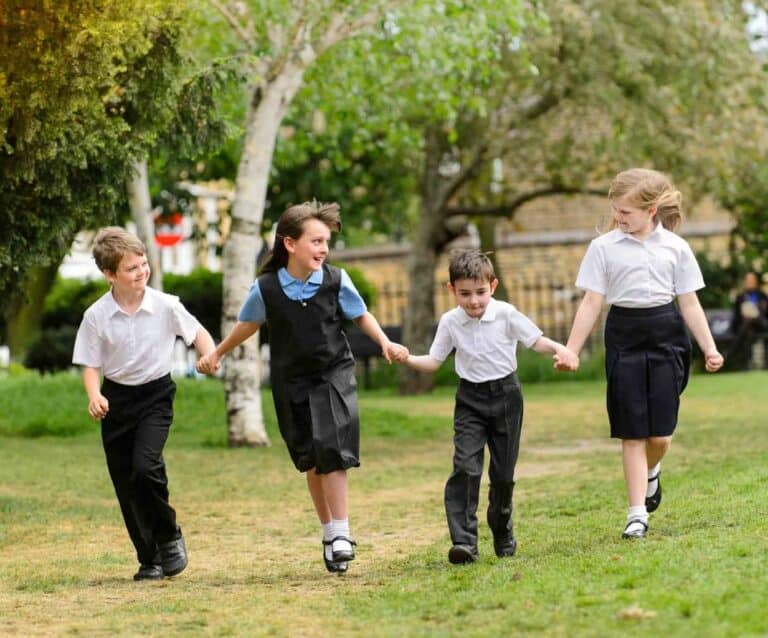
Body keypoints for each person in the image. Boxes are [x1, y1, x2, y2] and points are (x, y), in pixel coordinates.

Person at [196, 201, 407, 574]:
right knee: (311, 459)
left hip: (332, 373)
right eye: (316, 241)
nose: (323, 249)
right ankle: (329, 533)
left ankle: (342, 532)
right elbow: (247, 324)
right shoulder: (266, 288)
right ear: (290, 244)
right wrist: (218, 353)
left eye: (326, 241)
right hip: (290, 380)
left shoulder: (336, 280)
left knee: (333, 448)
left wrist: (384, 343)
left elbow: (360, 314)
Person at [559, 168, 724, 540]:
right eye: (615, 210)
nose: (618, 218)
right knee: (632, 432)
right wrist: (571, 349)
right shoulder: (603, 248)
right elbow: (591, 302)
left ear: (651, 211)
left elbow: (690, 303)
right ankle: (636, 514)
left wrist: (709, 348)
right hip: (624, 336)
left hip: (667, 334)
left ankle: (652, 472)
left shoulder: (676, 248)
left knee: (661, 435)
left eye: (626, 212)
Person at [392, 249, 578, 564]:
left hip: (506, 396)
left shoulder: (506, 313)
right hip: (470, 401)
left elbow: (536, 341)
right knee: (465, 467)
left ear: (492, 286)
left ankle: (502, 527)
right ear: (452, 291)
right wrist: (407, 357)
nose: (474, 301)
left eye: (480, 292)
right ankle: (464, 541)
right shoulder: (450, 322)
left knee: (503, 475)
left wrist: (563, 350)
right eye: (465, 294)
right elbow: (434, 361)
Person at [72, 227, 216, 580]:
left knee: (145, 467)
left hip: (155, 396)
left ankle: (169, 537)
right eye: (131, 268)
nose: (141, 272)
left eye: (143, 264)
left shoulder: (165, 304)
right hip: (117, 401)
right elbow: (90, 363)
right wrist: (95, 395)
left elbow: (197, 333)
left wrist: (210, 355)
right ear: (109, 274)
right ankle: (149, 558)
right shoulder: (96, 316)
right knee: (126, 484)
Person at [726, 271, 768, 369]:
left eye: (752, 280)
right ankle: (745, 365)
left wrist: (761, 308)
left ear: (756, 281)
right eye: (748, 280)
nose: (750, 282)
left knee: (750, 321)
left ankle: (730, 352)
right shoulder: (741, 297)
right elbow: (736, 315)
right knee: (748, 329)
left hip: (762, 324)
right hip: (748, 327)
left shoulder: (762, 295)